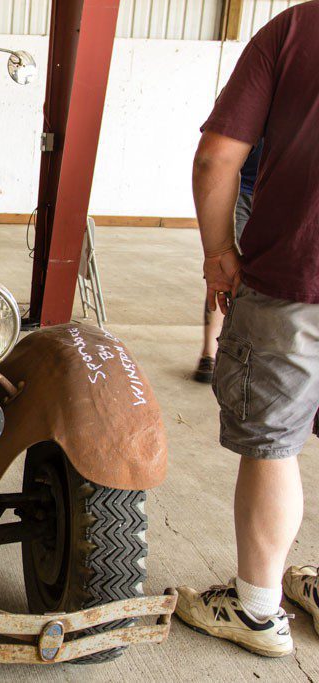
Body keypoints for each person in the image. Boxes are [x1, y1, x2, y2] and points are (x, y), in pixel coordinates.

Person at [174, 2, 319, 658]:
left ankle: (258, 609)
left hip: (297, 273)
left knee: (272, 440)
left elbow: (217, 159)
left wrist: (218, 252)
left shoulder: (296, 29)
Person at [192, 142, 261, 383]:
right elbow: (213, 159)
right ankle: (209, 352)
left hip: (279, 197)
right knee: (228, 271)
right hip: (243, 191)